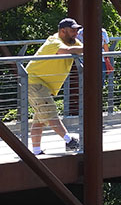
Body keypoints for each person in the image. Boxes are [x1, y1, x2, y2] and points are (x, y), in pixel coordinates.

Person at [25, 17, 84, 154]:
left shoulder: (74, 42)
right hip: (34, 82)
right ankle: (70, 141)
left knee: (39, 118)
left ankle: (36, 151)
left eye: (77, 30)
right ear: (63, 31)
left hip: (43, 85)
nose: (76, 33)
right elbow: (65, 50)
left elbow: (80, 49)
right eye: (72, 30)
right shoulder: (54, 41)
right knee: (50, 113)